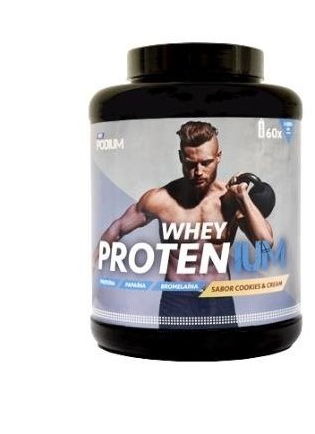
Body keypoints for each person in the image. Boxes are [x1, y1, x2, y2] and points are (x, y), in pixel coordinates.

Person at [99, 120, 273, 326]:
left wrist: (243, 196)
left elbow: (265, 244)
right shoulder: (161, 200)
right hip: (177, 299)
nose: (198, 171)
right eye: (191, 164)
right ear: (181, 157)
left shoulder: (230, 201)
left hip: (218, 296)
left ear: (218, 157)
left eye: (206, 163)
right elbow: (118, 229)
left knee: (224, 346)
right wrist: (92, 264)